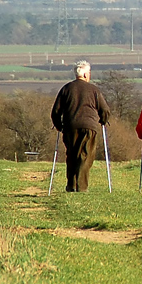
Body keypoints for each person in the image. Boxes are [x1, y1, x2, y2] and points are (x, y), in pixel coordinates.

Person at [50, 60, 111, 193]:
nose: (89, 75)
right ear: (84, 74)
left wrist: (59, 125)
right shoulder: (94, 90)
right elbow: (105, 110)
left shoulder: (66, 88)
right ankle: (82, 187)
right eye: (89, 73)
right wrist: (103, 120)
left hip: (70, 126)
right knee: (85, 155)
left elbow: (55, 111)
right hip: (89, 126)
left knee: (71, 155)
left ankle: (71, 185)